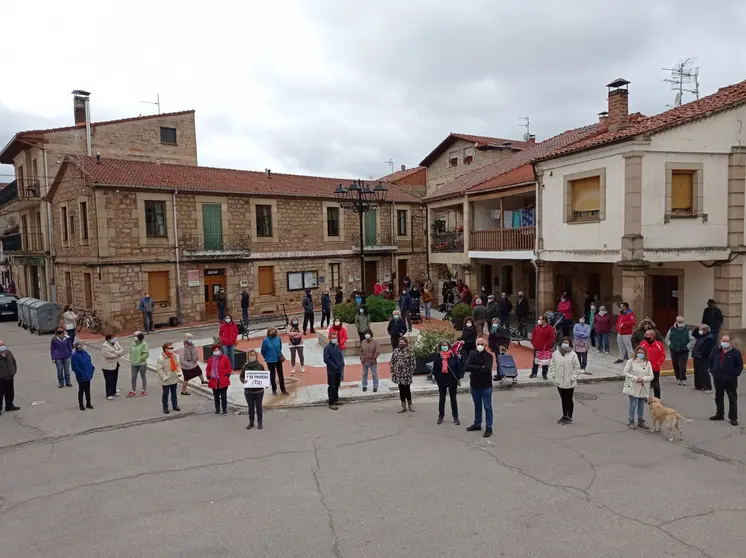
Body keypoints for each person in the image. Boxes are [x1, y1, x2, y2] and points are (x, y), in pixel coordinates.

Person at [709, 335, 741, 426]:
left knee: (732, 398)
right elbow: (710, 360)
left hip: (730, 380)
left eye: (727, 341)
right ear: (720, 341)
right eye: (723, 341)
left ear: (730, 342)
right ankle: (719, 414)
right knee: (718, 396)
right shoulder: (716, 350)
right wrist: (712, 371)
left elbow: (739, 366)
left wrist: (734, 374)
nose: (725, 343)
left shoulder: (736, 353)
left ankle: (733, 417)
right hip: (718, 378)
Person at [465, 338, 494, 437]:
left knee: (487, 407)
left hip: (486, 386)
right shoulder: (472, 354)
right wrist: (479, 367)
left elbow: (487, 369)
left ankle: (489, 427)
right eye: (478, 344)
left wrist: (474, 367)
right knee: (477, 406)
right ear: (476, 344)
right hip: (475, 385)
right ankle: (477, 424)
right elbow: (466, 366)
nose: (480, 345)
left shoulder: (489, 356)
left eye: (482, 344)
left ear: (485, 345)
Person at [549, 336, 580, 424]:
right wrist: (554, 375)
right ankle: (564, 415)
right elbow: (552, 365)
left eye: (567, 343)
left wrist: (572, 378)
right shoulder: (556, 353)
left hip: (569, 382)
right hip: (559, 381)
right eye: (564, 342)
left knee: (568, 399)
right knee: (563, 399)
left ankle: (569, 416)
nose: (565, 344)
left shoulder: (573, 355)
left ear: (570, 344)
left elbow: (577, 368)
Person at [622, 345, 654, 429]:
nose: (640, 354)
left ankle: (640, 420)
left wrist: (643, 379)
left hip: (643, 386)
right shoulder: (631, 361)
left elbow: (651, 376)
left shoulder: (648, 363)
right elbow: (625, 372)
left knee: (641, 405)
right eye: (639, 353)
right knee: (633, 404)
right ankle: (631, 421)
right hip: (633, 385)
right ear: (636, 353)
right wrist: (635, 378)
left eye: (642, 353)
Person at [432, 339, 459, 423]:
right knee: (442, 399)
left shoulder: (453, 356)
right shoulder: (438, 357)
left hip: (452, 380)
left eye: (446, 345)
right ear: (440, 347)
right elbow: (435, 369)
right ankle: (441, 416)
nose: (444, 347)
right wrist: (437, 379)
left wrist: (457, 378)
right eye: (443, 345)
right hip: (442, 380)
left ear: (449, 346)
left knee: (453, 399)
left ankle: (455, 417)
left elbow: (458, 369)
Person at [665, 316, 695, 386]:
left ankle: (683, 378)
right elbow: (667, 338)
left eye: (682, 322)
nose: (681, 323)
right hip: (674, 350)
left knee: (682, 365)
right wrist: (670, 345)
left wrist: (687, 347)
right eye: (679, 322)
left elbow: (691, 339)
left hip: (683, 351)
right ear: (676, 322)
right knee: (675, 365)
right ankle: (677, 378)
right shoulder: (671, 330)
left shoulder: (687, 330)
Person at [240, 349, 265, 430]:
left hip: (259, 391)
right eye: (250, 355)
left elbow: (264, 376)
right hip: (248, 391)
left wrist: (265, 382)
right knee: (250, 407)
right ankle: (251, 422)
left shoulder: (260, 366)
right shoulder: (245, 367)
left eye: (253, 355)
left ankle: (260, 422)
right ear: (248, 357)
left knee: (259, 407)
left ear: (256, 356)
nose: (252, 357)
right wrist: (243, 380)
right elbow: (241, 376)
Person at [390, 337, 416, 413]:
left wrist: (410, 371)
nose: (401, 343)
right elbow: (392, 361)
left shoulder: (410, 351)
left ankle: (410, 405)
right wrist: (393, 369)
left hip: (407, 374)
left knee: (407, 389)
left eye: (402, 342)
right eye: (400, 342)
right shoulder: (396, 351)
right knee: (401, 390)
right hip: (398, 374)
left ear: (406, 343)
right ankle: (403, 406)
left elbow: (413, 363)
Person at [155, 342, 181, 414]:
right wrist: (165, 377)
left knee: (174, 392)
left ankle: (175, 405)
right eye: (170, 348)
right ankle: (165, 407)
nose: (172, 349)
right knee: (165, 393)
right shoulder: (161, 358)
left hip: (173, 377)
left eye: (173, 348)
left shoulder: (174, 356)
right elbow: (159, 370)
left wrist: (178, 372)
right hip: (166, 379)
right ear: (165, 349)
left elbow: (177, 365)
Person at [261, 327, 288, 396]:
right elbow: (263, 351)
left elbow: (280, 347)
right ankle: (274, 389)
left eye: (274, 332)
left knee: (280, 374)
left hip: (278, 359)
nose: (273, 333)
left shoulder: (278, 338)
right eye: (271, 332)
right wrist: (266, 357)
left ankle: (283, 389)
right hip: (270, 360)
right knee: (272, 375)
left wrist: (278, 354)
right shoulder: (265, 340)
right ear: (268, 333)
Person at [206, 345, 232, 415]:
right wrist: (208, 375)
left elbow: (229, 367)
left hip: (223, 380)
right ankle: (217, 409)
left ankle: (224, 409)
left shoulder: (224, 358)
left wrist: (227, 375)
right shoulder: (210, 359)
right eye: (214, 350)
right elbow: (208, 368)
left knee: (224, 396)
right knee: (216, 397)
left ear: (220, 350)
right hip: (214, 380)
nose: (216, 352)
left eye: (217, 350)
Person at [323, 331, 345, 410]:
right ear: (330, 338)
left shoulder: (337, 347)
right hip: (331, 371)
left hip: (338, 370)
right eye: (333, 338)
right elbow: (326, 359)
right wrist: (334, 366)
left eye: (336, 338)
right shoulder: (327, 348)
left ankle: (336, 399)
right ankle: (331, 402)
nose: (334, 339)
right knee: (331, 386)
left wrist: (342, 364)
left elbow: (340, 357)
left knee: (337, 385)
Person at [71, 340, 94, 411]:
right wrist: (82, 374)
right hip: (81, 376)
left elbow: (89, 360)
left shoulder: (84, 352)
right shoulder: (75, 355)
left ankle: (88, 403)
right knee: (81, 390)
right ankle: (81, 404)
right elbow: (75, 367)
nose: (84, 346)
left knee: (88, 389)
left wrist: (92, 368)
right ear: (79, 347)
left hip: (88, 374)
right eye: (83, 345)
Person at [642, 329, 666, 399]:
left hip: (655, 368)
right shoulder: (642, 343)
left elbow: (662, 355)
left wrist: (658, 363)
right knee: (644, 384)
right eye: (645, 334)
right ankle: (645, 397)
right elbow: (638, 353)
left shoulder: (659, 345)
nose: (645, 336)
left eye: (647, 335)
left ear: (652, 336)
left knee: (655, 384)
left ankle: (657, 398)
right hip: (644, 367)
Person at [530, 315, 555, 379]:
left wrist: (547, 345)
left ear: (544, 320)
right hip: (536, 347)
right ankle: (533, 373)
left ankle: (544, 375)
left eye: (540, 319)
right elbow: (533, 335)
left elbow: (551, 338)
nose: (539, 321)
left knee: (545, 362)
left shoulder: (550, 328)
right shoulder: (537, 327)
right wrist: (533, 343)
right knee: (535, 361)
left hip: (545, 348)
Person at [691, 324, 715, 393]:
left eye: (701, 330)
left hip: (703, 357)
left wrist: (701, 355)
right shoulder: (701, 335)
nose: (700, 331)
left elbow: (708, 349)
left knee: (704, 372)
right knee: (697, 372)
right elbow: (694, 334)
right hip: (696, 356)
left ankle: (707, 387)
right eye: (700, 329)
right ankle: (698, 386)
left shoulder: (709, 338)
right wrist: (697, 328)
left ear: (705, 330)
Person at [102, 333, 124, 400]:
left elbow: (121, 350)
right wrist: (117, 354)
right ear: (108, 339)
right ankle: (109, 394)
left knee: (115, 378)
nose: (114, 339)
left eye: (114, 337)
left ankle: (114, 391)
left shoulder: (116, 343)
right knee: (109, 380)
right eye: (112, 338)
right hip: (108, 365)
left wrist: (115, 352)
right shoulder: (105, 346)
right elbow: (108, 355)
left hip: (116, 364)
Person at [129, 331, 151, 397]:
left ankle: (144, 390)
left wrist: (140, 359)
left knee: (143, 376)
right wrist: (131, 357)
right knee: (133, 377)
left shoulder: (144, 344)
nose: (134, 337)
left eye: (135, 336)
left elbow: (146, 354)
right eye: (134, 336)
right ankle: (133, 390)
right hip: (134, 364)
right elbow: (131, 351)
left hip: (142, 364)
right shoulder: (133, 343)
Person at [0, 340, 19, 414]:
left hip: (10, 377)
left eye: (3, 345)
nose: (2, 347)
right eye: (0, 346)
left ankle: (9, 406)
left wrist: (13, 371)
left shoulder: (8, 353)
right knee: (0, 394)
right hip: (1, 378)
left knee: (10, 392)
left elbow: (14, 362)